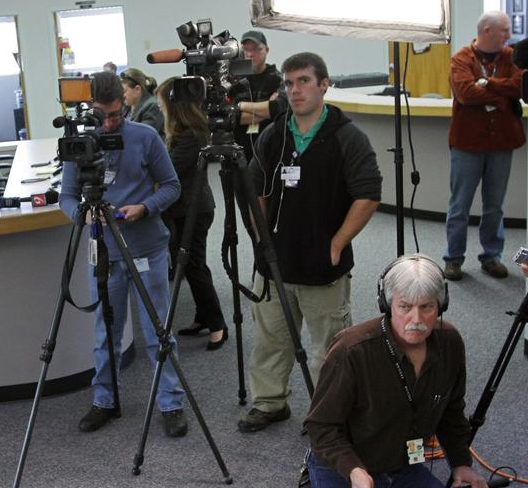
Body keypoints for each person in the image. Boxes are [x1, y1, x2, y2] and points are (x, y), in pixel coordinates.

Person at [304, 254, 487, 488]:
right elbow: (321, 427)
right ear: (387, 304)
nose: (416, 320)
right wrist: (355, 472)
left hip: (403, 468)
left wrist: (461, 463)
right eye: (405, 307)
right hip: (347, 471)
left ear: (441, 304)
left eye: (427, 308)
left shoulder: (450, 343)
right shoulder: (351, 349)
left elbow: (451, 409)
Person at [240, 51, 382, 432]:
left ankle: (328, 415)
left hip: (323, 264)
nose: (295, 90)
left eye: (303, 81)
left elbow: (368, 194)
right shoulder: (275, 135)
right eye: (288, 83)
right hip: (275, 263)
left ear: (323, 84)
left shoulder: (347, 137)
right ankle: (270, 402)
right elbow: (256, 190)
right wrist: (260, 238)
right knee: (271, 339)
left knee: (328, 347)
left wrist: (337, 243)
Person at [59, 71, 188, 437]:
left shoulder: (145, 137)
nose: (111, 123)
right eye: (104, 116)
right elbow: (66, 197)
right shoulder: (79, 144)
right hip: (104, 252)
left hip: (147, 247)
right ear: (90, 110)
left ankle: (171, 404)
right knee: (105, 333)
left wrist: (144, 207)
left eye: (117, 115)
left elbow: (173, 186)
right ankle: (105, 399)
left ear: (124, 105)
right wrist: (82, 215)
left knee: (157, 331)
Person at [443, 10, 525, 281]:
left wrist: (487, 83)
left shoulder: (511, 56)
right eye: (504, 30)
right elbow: (465, 94)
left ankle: (491, 257)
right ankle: (453, 259)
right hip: (467, 144)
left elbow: (519, 86)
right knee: (460, 206)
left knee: (494, 206)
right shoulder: (461, 58)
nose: (509, 35)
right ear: (487, 31)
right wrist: (500, 96)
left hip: (502, 142)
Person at [158, 77, 227, 351]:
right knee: (189, 266)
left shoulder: (190, 136)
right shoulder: (184, 132)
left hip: (194, 210)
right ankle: (203, 317)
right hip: (186, 209)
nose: (161, 109)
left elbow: (168, 174)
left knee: (195, 267)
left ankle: (218, 325)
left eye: (164, 105)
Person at [231, 29, 284, 165]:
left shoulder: (277, 79)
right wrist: (266, 111)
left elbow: (278, 110)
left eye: (255, 49)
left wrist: (242, 106)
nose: (250, 54)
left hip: (270, 151)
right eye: (246, 50)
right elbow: (231, 117)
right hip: (238, 153)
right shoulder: (234, 81)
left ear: (266, 50)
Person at [120, 66, 164, 140]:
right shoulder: (127, 107)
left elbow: (143, 136)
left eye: (124, 91)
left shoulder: (152, 106)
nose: (121, 95)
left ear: (137, 89)